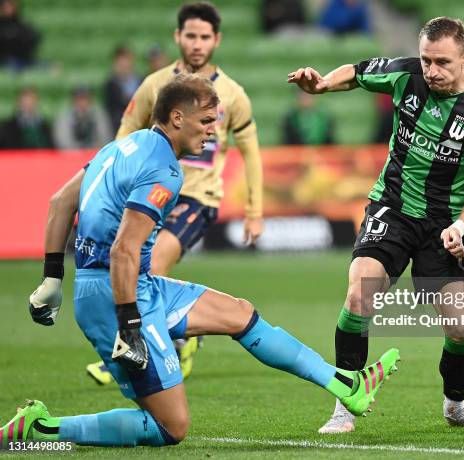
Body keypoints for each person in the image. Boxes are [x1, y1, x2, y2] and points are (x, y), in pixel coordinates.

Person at [0, 74, 400, 448]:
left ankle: (346, 385)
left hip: (131, 284)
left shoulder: (122, 146)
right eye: (207, 121)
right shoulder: (164, 171)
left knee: (239, 314)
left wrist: (52, 278)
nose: (213, 130)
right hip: (117, 295)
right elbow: (124, 247)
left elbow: (60, 202)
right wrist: (131, 325)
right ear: (177, 118)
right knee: (171, 428)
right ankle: (43, 427)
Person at [288, 16, 464, 434]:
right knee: (359, 294)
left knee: (462, 328)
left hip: (446, 223)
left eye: (442, 62)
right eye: (426, 60)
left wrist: (461, 226)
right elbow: (356, 72)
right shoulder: (406, 74)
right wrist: (320, 86)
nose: (432, 71)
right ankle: (344, 406)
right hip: (393, 208)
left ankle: (456, 406)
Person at [85, 2, 264, 385]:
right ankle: (179, 336)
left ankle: (133, 346)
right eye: (190, 35)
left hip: (199, 197)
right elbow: (125, 134)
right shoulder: (155, 85)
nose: (197, 44)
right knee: (135, 267)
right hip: (152, 193)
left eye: (204, 37)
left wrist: (254, 209)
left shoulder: (233, 94)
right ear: (177, 37)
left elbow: (251, 152)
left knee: (153, 265)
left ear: (216, 39)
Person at [53, 85, 112, 150]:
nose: (82, 103)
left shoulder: (99, 116)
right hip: (72, 156)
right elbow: (63, 142)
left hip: (94, 154)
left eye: (85, 98)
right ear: (73, 100)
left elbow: (105, 138)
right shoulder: (65, 117)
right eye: (79, 99)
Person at [103, 45, 142, 133]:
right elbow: (111, 112)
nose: (124, 64)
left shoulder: (141, 80)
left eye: (126, 59)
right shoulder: (110, 85)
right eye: (121, 60)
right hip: (119, 127)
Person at [0, 0, 40, 71]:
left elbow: (33, 38)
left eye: (11, 5)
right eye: (6, 6)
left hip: (23, 59)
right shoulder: (2, 25)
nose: (8, 9)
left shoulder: (22, 25)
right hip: (6, 60)